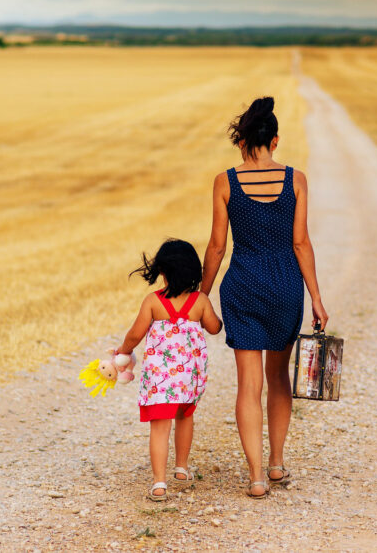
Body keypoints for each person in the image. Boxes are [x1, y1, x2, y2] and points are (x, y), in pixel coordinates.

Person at [200, 96, 329, 499]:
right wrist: (317, 299)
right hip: (284, 287)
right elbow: (301, 243)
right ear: (274, 141)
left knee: (247, 386)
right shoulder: (296, 180)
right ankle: (275, 463)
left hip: (242, 285)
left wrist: (200, 297)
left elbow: (217, 248)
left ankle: (255, 477)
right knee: (277, 379)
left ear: (242, 142)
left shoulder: (226, 182)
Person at [116, 239, 223, 502]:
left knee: (159, 427)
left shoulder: (153, 301)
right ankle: (181, 469)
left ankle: (159, 483)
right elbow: (214, 328)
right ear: (194, 271)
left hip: (160, 380)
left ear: (162, 272)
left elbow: (135, 334)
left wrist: (123, 351)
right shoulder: (200, 301)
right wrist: (217, 318)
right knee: (185, 418)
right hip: (188, 378)